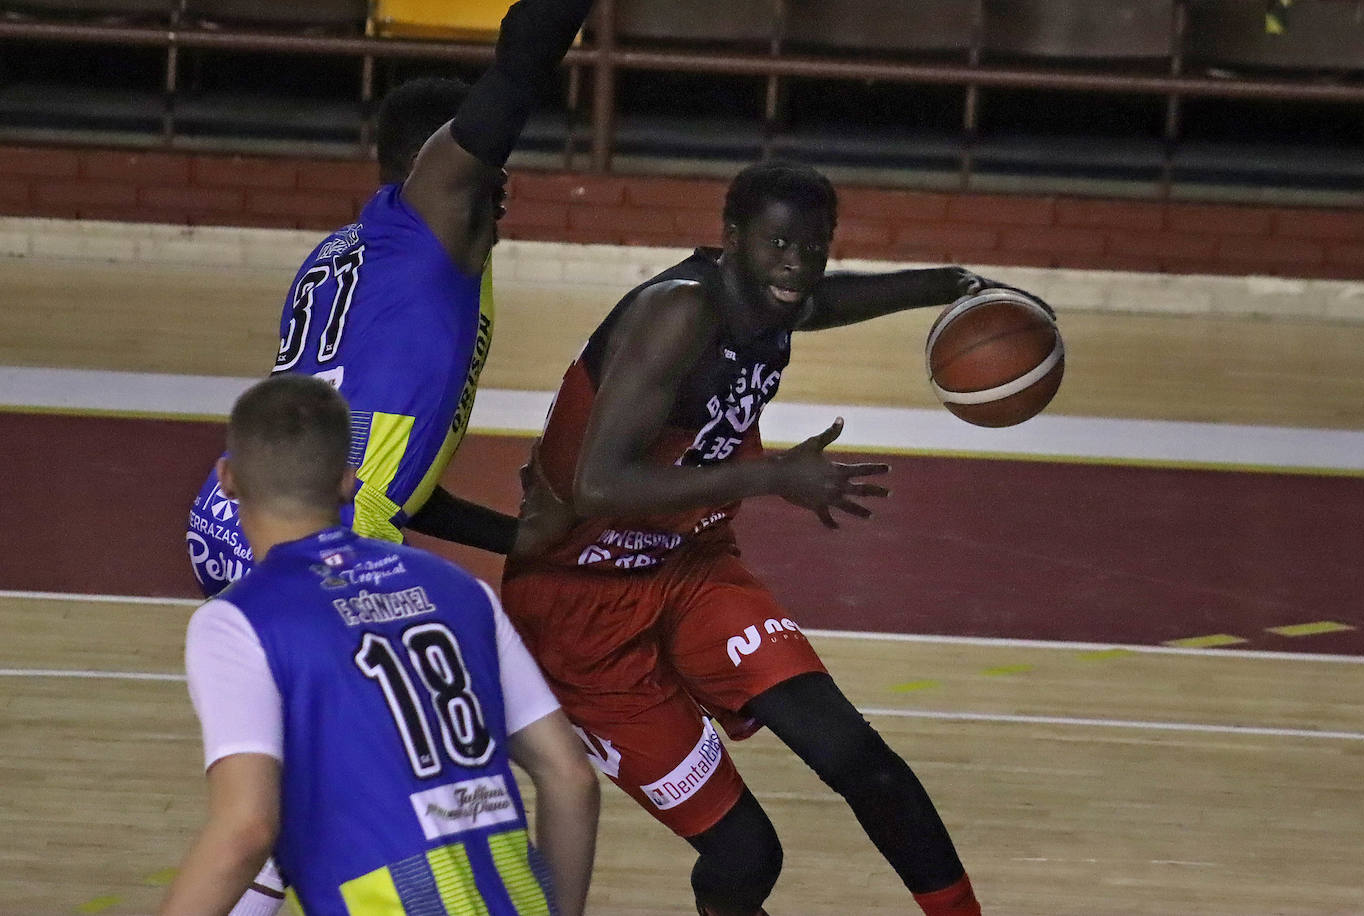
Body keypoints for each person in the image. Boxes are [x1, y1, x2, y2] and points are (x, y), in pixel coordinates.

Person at [504, 160, 1051, 915]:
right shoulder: (679, 312)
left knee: (860, 759)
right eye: (779, 244)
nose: (797, 263)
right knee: (747, 856)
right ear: (730, 240)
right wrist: (770, 478)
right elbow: (599, 485)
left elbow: (821, 301)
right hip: (581, 613)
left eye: (814, 245)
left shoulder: (771, 300)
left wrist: (956, 284)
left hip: (688, 569)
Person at [187, 0, 596, 596]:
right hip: (321, 530)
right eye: (489, 173)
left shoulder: (345, 255)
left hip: (234, 514)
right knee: (442, 669)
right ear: (426, 167)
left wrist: (517, 537)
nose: (501, 191)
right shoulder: (424, 234)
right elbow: (518, 73)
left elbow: (384, 480)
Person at [161, 374, 599, 916]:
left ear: (227, 478)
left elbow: (246, 829)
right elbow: (571, 777)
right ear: (348, 482)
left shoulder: (236, 622)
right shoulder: (463, 591)